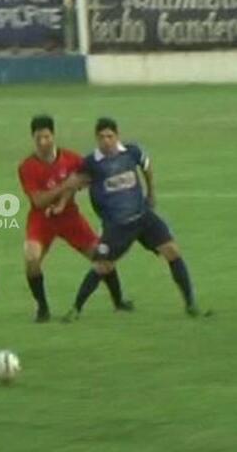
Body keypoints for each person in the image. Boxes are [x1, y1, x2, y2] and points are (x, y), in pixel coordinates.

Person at [61, 118, 204, 320]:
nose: (106, 141)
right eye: (101, 137)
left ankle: (191, 304)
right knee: (102, 266)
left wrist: (151, 193)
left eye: (110, 136)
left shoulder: (131, 151)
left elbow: (146, 165)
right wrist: (60, 203)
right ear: (96, 139)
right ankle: (76, 309)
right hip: (117, 226)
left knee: (172, 250)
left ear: (117, 136)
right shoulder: (91, 162)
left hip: (143, 217)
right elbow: (74, 183)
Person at [18, 116, 132, 322]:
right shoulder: (27, 167)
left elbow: (87, 177)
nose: (43, 142)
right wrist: (66, 185)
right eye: (38, 138)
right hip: (41, 219)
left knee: (102, 255)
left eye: (46, 137)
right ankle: (42, 308)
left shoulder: (72, 159)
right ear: (32, 139)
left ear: (53, 135)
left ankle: (119, 301)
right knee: (31, 258)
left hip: (70, 217)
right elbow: (39, 201)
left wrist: (66, 197)